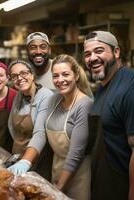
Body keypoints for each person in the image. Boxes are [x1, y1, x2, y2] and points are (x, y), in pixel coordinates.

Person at [83, 30, 134, 200]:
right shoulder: (103, 86)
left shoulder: (129, 86)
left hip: (122, 186)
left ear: (116, 52)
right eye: (87, 54)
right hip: (102, 184)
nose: (92, 58)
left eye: (99, 51)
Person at [45, 54, 93, 199]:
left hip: (78, 175)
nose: (60, 80)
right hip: (57, 169)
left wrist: (59, 187)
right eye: (56, 76)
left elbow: (76, 154)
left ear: (76, 75)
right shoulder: (54, 99)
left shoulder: (84, 105)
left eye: (65, 74)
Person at [7, 59, 53, 180]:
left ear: (32, 75)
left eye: (24, 73)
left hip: (37, 157)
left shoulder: (46, 96)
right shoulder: (19, 95)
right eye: (14, 76)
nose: (19, 78)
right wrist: (19, 152)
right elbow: (11, 126)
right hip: (18, 156)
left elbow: (40, 133)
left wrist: (26, 161)